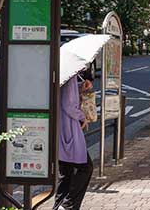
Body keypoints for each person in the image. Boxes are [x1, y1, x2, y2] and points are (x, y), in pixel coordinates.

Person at [54, 74, 93, 210]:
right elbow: (69, 105)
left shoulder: (61, 71)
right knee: (85, 167)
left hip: (59, 128)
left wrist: (79, 89)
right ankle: (67, 206)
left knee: (66, 173)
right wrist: (83, 117)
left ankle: (59, 206)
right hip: (68, 129)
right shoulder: (69, 76)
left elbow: (65, 98)